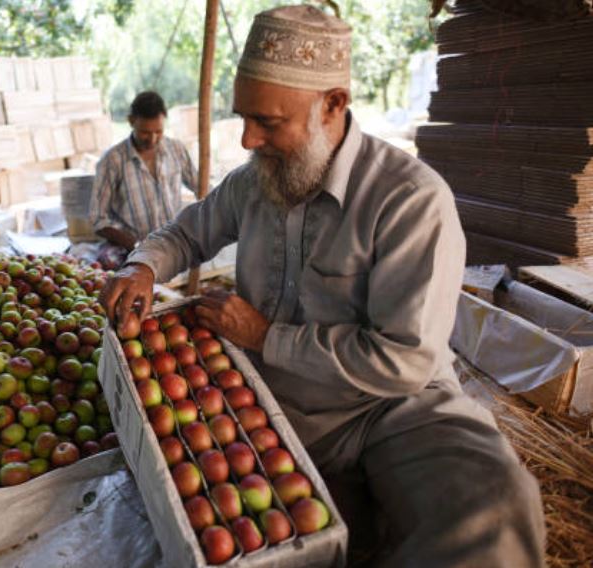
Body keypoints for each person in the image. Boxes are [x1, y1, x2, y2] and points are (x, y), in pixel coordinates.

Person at [101, 6, 544, 567]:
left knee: (497, 502)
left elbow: (404, 361)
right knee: (210, 515)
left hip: (392, 409)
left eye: (268, 121)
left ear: (332, 104)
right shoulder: (254, 183)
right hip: (275, 400)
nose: (247, 139)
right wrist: (142, 265)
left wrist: (265, 336)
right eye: (243, 117)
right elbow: (186, 232)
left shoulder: (410, 201)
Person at [88, 91, 198, 262]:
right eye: (145, 132)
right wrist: (135, 245)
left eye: (158, 131)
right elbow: (97, 219)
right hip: (131, 248)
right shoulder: (112, 161)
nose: (153, 139)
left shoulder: (176, 149)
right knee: (110, 264)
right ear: (131, 121)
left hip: (173, 243)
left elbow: (202, 188)